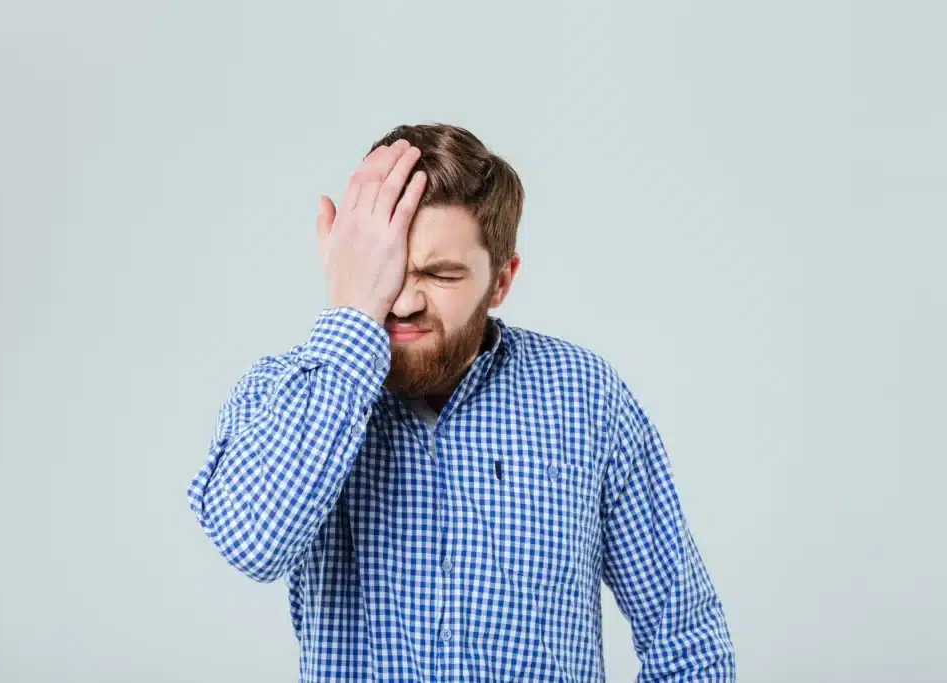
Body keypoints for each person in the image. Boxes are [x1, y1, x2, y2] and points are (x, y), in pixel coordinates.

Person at [187, 123, 736, 682]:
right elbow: (253, 543)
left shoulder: (586, 396)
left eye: (440, 273)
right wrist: (353, 314)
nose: (401, 301)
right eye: (387, 268)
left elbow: (686, 643)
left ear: (501, 281)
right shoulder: (289, 395)